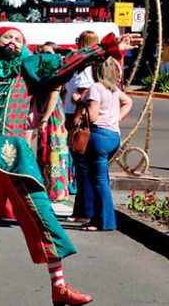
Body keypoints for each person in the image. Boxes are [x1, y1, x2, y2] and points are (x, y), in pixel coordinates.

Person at [0, 26, 141, 306]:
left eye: (18, 39)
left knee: (42, 216)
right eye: (7, 37)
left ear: (23, 47)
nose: (12, 41)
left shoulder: (29, 70)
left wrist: (106, 48)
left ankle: (59, 287)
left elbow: (68, 61)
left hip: (16, 157)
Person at [83, 58, 132, 231]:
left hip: (99, 136)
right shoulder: (113, 89)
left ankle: (105, 220)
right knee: (100, 177)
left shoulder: (95, 88)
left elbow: (93, 116)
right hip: (113, 136)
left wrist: (83, 106)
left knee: (99, 180)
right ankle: (98, 218)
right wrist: (117, 117)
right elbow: (128, 101)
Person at [64, 31, 98, 221]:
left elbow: (83, 95)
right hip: (72, 114)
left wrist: (76, 100)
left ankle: (83, 210)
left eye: (79, 41)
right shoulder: (82, 65)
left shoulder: (87, 69)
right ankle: (82, 209)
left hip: (78, 117)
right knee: (80, 164)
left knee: (82, 164)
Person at [31, 42, 70, 202]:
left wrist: (45, 118)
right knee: (45, 150)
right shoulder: (46, 71)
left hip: (52, 115)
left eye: (48, 52)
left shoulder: (56, 72)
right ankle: (47, 187)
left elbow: (54, 97)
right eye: (43, 53)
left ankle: (56, 191)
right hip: (47, 113)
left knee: (54, 152)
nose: (45, 56)